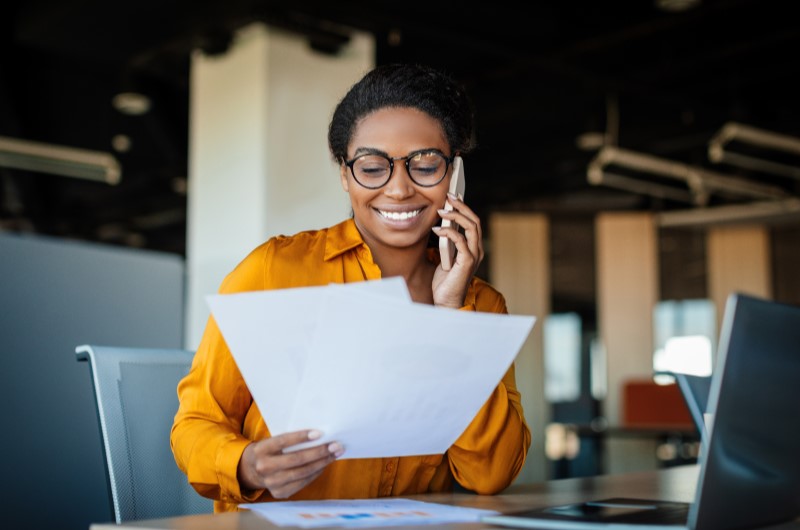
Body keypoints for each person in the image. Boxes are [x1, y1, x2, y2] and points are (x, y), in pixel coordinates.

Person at [170, 63, 531, 512]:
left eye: (425, 165)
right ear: (345, 175)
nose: (399, 189)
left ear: (454, 174)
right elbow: (196, 423)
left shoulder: (480, 305)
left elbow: (489, 475)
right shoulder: (271, 272)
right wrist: (246, 464)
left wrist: (450, 316)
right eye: (373, 166)